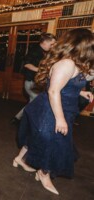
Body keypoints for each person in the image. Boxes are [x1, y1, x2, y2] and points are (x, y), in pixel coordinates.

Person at [13, 28, 94, 195]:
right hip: (52, 109)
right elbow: (53, 91)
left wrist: (80, 92)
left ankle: (19, 159)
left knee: (40, 137)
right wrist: (60, 119)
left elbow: (65, 85)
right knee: (52, 143)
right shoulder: (67, 63)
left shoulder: (73, 62)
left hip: (62, 107)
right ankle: (43, 173)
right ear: (82, 46)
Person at [11, 33, 56, 124]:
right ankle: (21, 120)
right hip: (31, 82)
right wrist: (42, 71)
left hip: (38, 82)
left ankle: (18, 119)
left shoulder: (46, 52)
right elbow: (27, 64)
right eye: (51, 44)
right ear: (44, 42)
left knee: (34, 102)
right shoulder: (34, 51)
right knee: (36, 102)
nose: (52, 46)